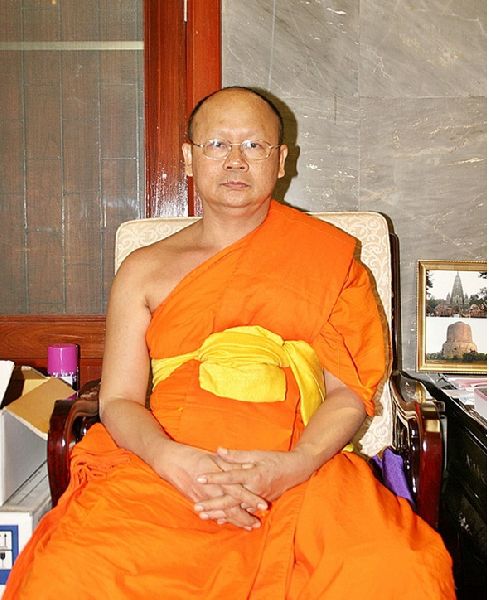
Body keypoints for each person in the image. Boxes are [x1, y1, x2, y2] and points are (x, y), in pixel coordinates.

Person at [5, 87, 455, 599]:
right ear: (188, 158)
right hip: (163, 466)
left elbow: (349, 394)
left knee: (395, 570)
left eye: (254, 145)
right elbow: (120, 400)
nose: (236, 160)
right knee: (68, 575)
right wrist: (173, 460)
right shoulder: (144, 270)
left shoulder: (329, 261)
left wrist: (292, 466)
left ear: (281, 160)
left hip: (303, 467)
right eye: (217, 144)